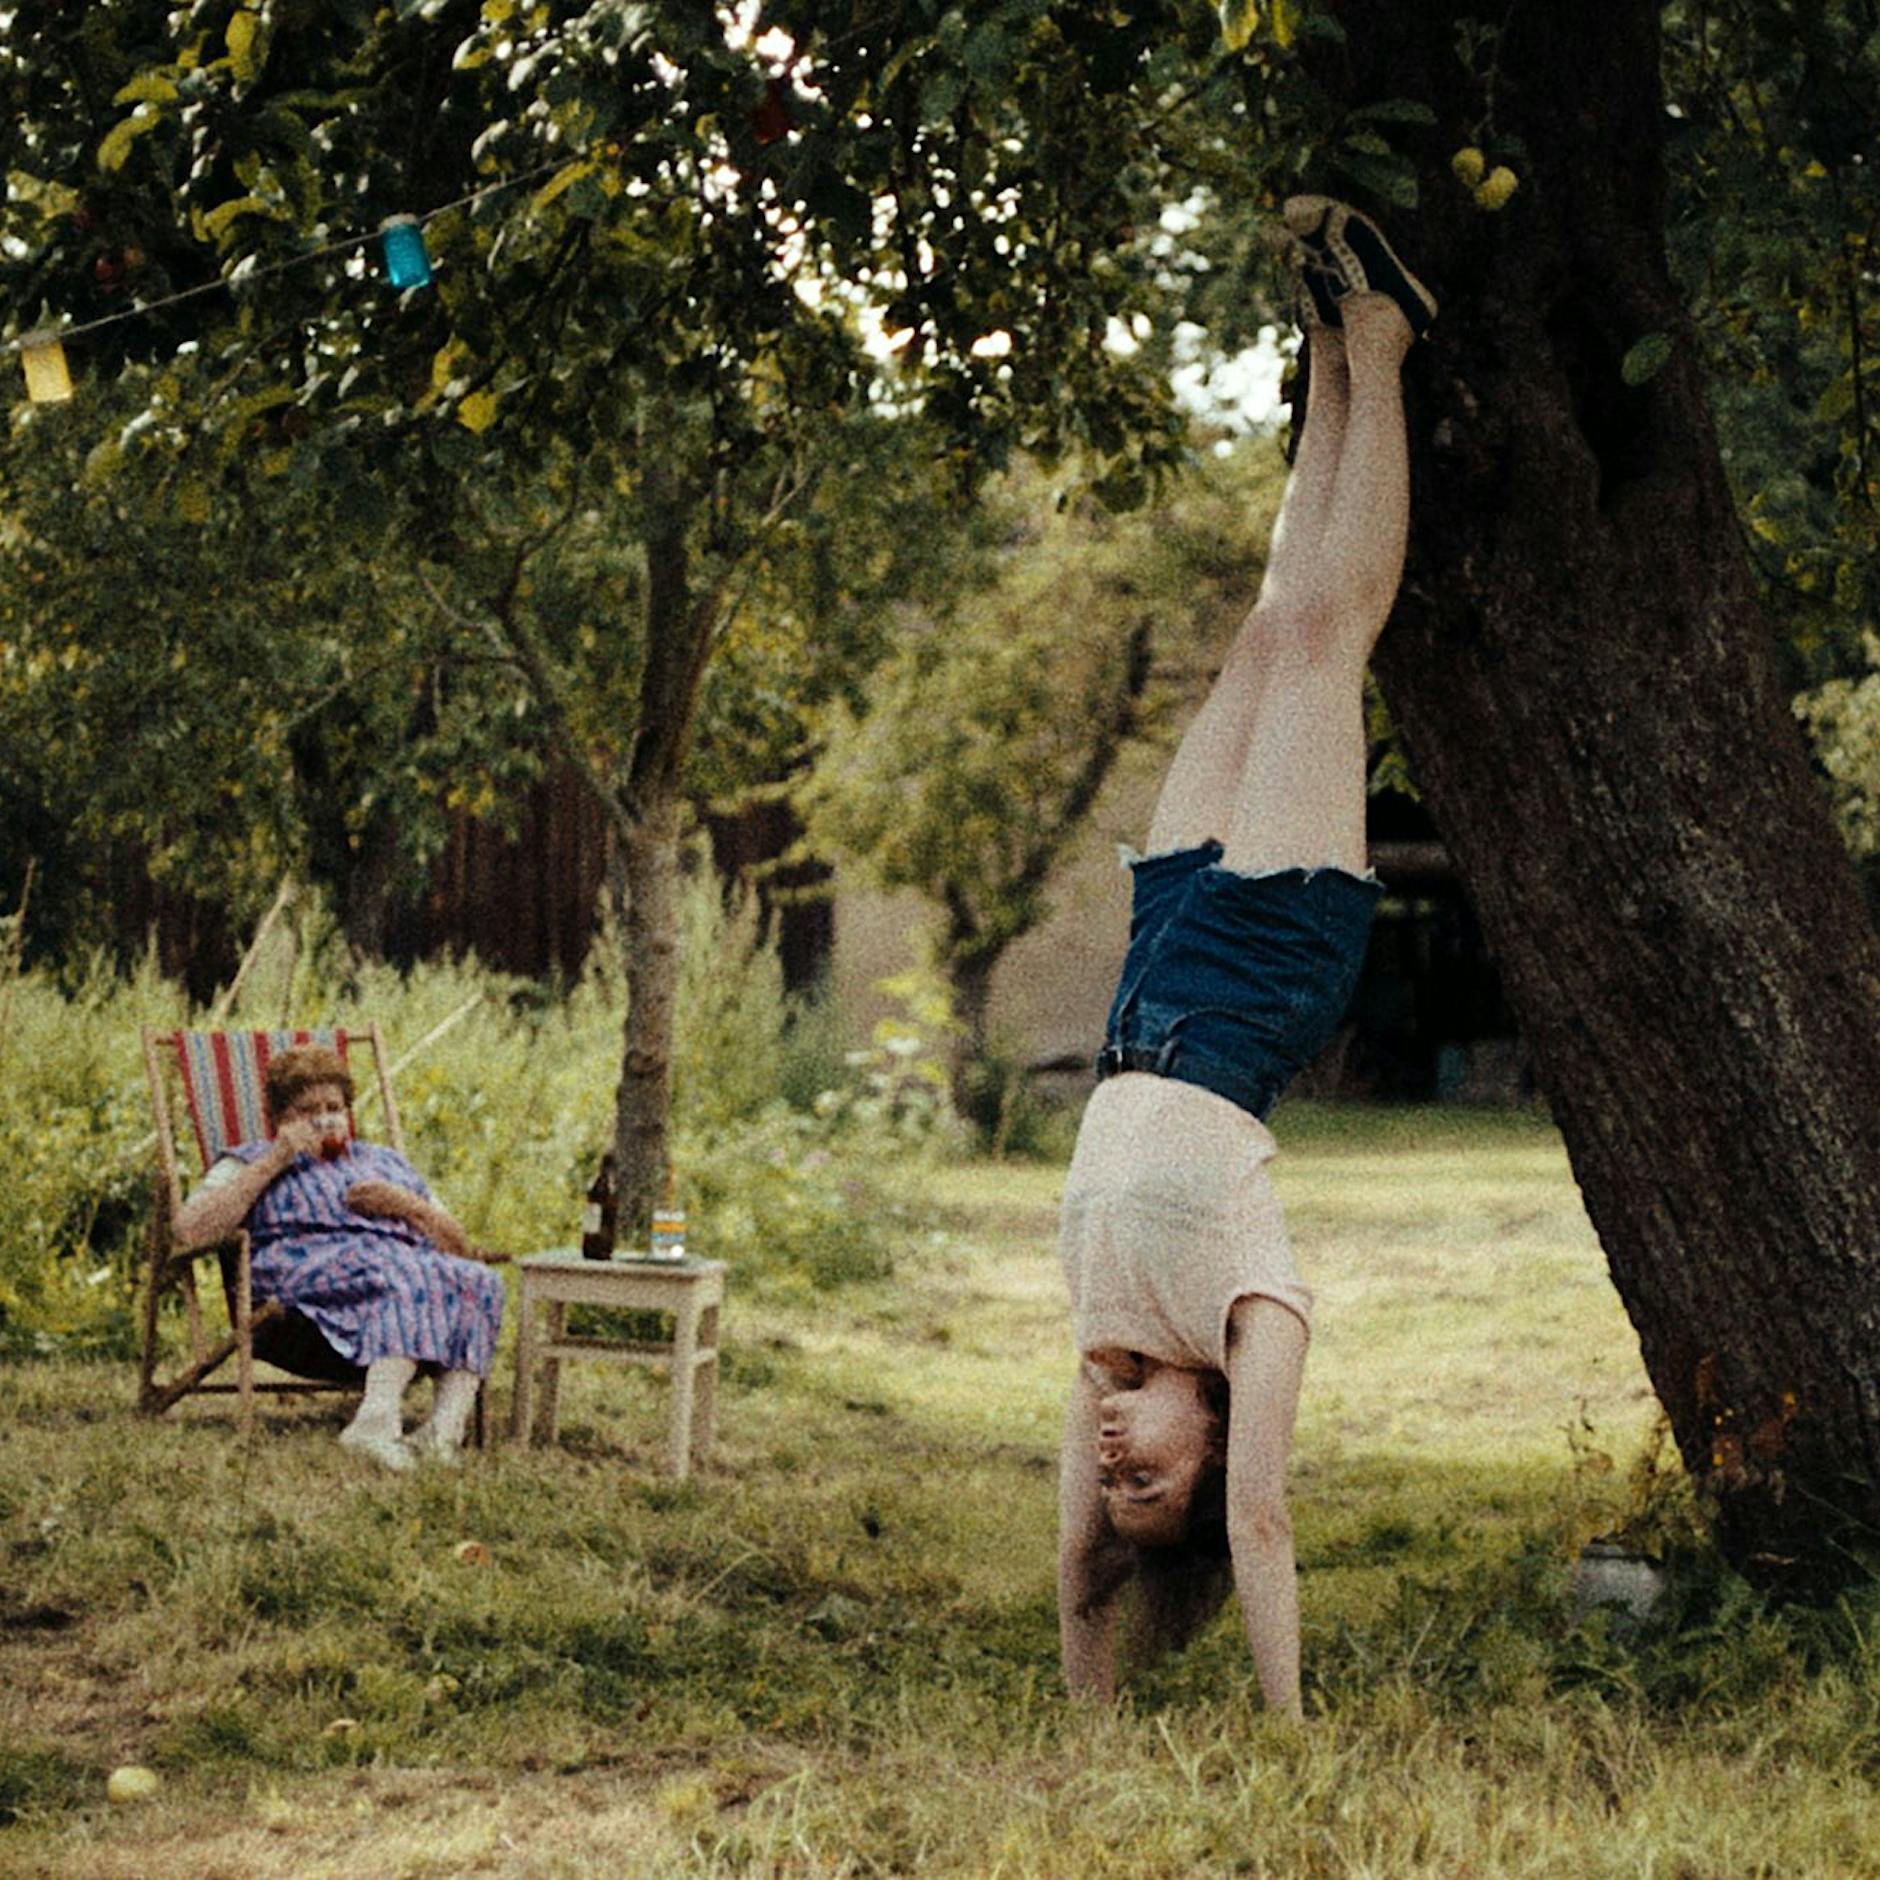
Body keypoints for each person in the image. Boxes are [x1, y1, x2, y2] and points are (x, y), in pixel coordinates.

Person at [1056, 197, 1438, 1714]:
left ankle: (1327, 346)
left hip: (1153, 978)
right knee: (1332, 638)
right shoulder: (1246, 1318)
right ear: (1212, 1447)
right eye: (1154, 1487)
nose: (1116, 1469)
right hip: (1265, 974)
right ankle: (1386, 347)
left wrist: (1088, 1720)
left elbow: (1084, 1586)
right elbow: (1261, 1527)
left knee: (1270, 627)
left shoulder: (1101, 1343)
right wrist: (1284, 1735)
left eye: (1117, 1486)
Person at [171, 1043, 506, 1471]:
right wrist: (278, 1158)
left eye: (334, 1106)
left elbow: (460, 1249)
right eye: (308, 1109)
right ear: (282, 1118)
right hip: (302, 1293)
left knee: (480, 1280)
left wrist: (409, 1207)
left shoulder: (386, 1163)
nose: (325, 1117)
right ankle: (375, 1423)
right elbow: (189, 1231)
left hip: (393, 1279)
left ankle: (441, 1434)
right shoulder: (249, 1160)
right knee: (403, 1270)